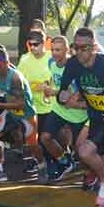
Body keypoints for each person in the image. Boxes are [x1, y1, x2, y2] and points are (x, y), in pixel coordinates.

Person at [58, 27, 104, 207]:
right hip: (96, 115)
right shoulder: (73, 64)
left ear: (94, 48)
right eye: (76, 47)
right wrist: (63, 95)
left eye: (85, 48)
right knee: (103, 158)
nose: (80, 52)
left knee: (85, 151)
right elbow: (63, 88)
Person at [0, 48, 45, 182]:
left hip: (26, 113)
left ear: (7, 62)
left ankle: (42, 166)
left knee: (32, 144)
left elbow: (21, 104)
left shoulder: (16, 78)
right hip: (10, 111)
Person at [40, 36, 87, 182]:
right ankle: (64, 162)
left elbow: (84, 91)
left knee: (81, 150)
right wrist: (47, 87)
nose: (54, 53)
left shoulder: (77, 66)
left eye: (58, 50)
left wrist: (58, 94)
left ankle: (89, 175)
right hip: (59, 109)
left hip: (78, 113)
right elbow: (54, 80)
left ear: (67, 50)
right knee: (45, 137)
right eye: (52, 50)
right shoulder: (51, 62)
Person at [18, 29, 53, 178]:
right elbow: (19, 82)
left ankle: (54, 163)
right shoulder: (25, 59)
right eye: (30, 44)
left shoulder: (52, 57)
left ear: (44, 43)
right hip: (32, 107)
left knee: (48, 138)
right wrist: (36, 86)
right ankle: (40, 164)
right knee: (33, 140)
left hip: (51, 107)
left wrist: (49, 86)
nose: (32, 48)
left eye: (36, 44)